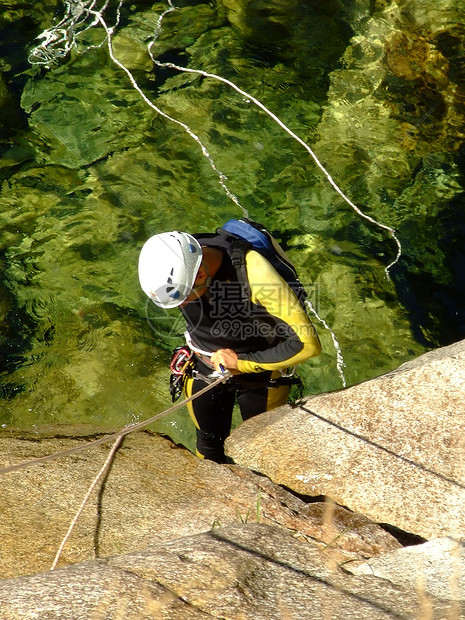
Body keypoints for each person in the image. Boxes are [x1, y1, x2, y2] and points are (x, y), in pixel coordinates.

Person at [138, 227, 321, 463]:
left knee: (263, 451)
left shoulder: (255, 274)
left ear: (200, 276)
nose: (184, 305)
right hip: (203, 366)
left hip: (261, 375)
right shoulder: (181, 256)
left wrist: (241, 364)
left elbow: (308, 345)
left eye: (184, 298)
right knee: (208, 448)